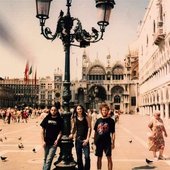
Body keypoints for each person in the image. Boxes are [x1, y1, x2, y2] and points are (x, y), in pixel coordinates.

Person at [40, 105, 63, 170]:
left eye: (55, 110)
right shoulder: (47, 118)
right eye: (52, 110)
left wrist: (57, 140)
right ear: (50, 111)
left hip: (54, 142)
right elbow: (42, 130)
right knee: (45, 158)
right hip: (46, 141)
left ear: (57, 111)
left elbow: (60, 132)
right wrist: (43, 141)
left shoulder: (60, 119)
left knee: (49, 159)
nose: (53, 111)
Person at [69, 104, 91, 170]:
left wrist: (87, 139)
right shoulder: (74, 118)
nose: (79, 110)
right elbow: (74, 128)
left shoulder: (86, 117)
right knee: (79, 157)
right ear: (76, 110)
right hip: (78, 139)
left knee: (87, 157)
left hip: (85, 139)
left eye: (80, 109)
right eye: (78, 109)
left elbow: (90, 128)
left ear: (82, 109)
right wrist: (72, 134)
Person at [94, 103, 115, 170]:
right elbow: (95, 132)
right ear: (101, 111)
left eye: (106, 110)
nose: (104, 111)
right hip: (99, 142)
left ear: (108, 111)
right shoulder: (98, 120)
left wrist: (113, 143)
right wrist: (94, 142)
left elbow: (113, 132)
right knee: (99, 158)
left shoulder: (111, 121)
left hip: (107, 142)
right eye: (103, 110)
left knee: (109, 157)